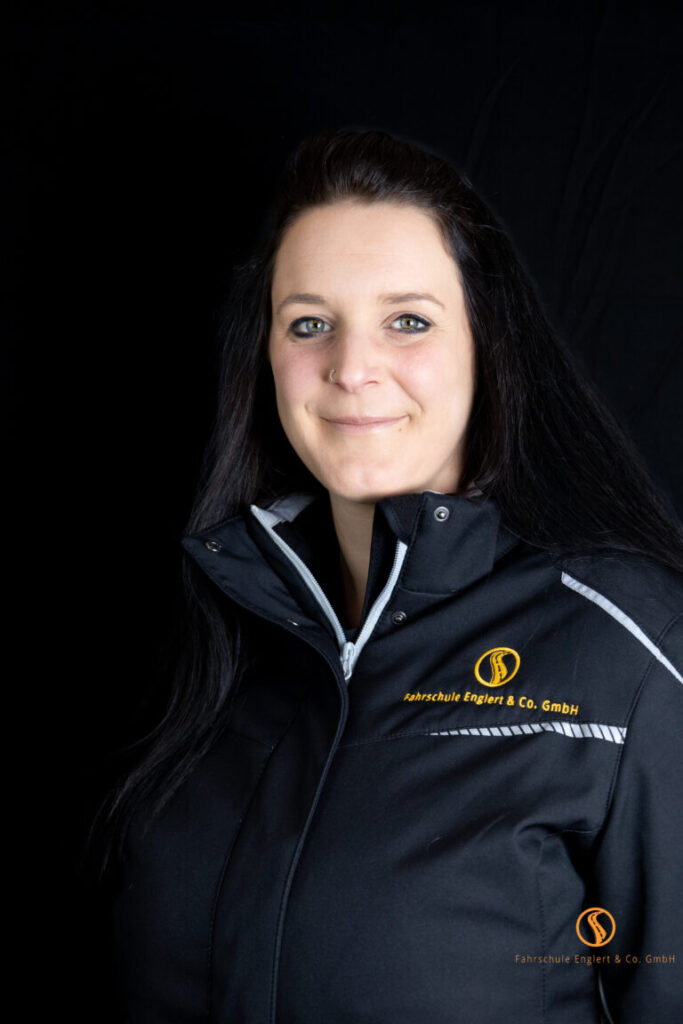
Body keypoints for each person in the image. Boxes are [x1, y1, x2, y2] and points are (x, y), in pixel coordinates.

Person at [103, 128, 683, 1022]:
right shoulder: (214, 638)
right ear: (264, 353)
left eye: (407, 320)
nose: (351, 368)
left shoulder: (624, 648)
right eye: (309, 324)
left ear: (486, 343)